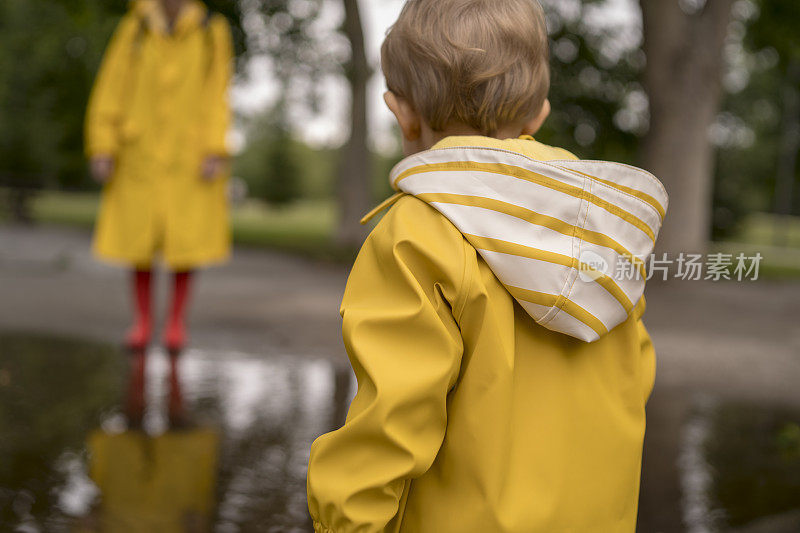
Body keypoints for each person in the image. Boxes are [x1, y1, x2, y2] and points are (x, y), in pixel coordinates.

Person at [306, 1, 669, 531]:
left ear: (400, 112)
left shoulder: (418, 233)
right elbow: (632, 380)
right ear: (538, 114)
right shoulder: (601, 231)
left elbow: (391, 422)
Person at [85, 0, 233, 353]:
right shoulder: (134, 26)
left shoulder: (212, 30)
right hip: (140, 151)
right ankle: (142, 322)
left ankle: (175, 324)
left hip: (189, 153)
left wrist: (215, 147)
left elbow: (218, 91)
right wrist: (103, 144)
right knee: (139, 241)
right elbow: (111, 85)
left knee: (186, 242)